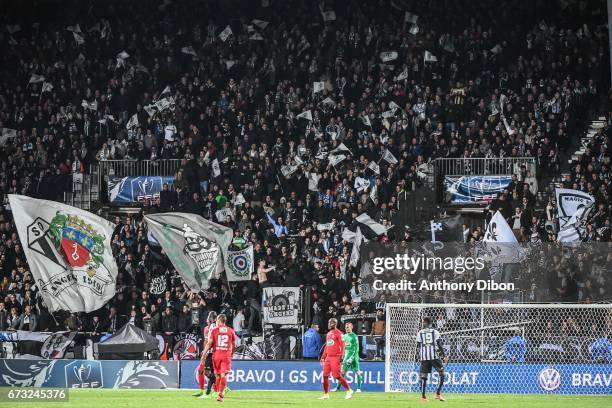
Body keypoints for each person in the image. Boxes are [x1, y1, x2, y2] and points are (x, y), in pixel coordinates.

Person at [201, 314, 236, 402]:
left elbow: (209, 344)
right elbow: (234, 345)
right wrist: (232, 354)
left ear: (219, 320)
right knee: (224, 375)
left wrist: (203, 354)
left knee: (217, 376)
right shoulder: (231, 331)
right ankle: (220, 395)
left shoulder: (214, 330)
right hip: (226, 356)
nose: (216, 322)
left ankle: (217, 392)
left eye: (217, 320)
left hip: (216, 356)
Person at [319, 317, 352, 400]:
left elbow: (342, 344)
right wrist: (323, 357)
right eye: (329, 322)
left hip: (336, 357)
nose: (329, 324)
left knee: (337, 375)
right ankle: (326, 394)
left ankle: (349, 390)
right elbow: (327, 346)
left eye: (331, 323)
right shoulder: (329, 334)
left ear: (335, 324)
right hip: (328, 358)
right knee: (325, 375)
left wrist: (342, 355)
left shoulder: (339, 333)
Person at [416, 316, 448, 402]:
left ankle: (423, 397)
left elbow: (418, 345)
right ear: (431, 323)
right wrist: (444, 355)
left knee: (423, 376)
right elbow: (439, 343)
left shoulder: (420, 332)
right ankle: (437, 394)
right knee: (442, 373)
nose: (423, 324)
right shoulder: (435, 332)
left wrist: (420, 355)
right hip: (434, 356)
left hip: (424, 357)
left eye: (424, 322)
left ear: (425, 323)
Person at [194, 311, 217, 398]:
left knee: (209, 372)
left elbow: (211, 341)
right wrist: (204, 350)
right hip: (208, 351)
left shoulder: (213, 327)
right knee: (202, 370)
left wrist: (205, 352)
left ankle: (214, 390)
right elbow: (205, 341)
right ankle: (202, 390)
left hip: (211, 353)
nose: (207, 320)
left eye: (208, 318)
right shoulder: (206, 328)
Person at [335, 321, 362, 392]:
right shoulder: (344, 336)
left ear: (351, 327)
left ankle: (359, 388)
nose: (346, 328)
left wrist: (352, 357)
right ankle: (337, 388)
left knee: (357, 372)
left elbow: (357, 348)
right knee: (342, 372)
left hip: (354, 357)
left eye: (348, 327)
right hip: (346, 357)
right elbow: (342, 347)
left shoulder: (354, 336)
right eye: (346, 327)